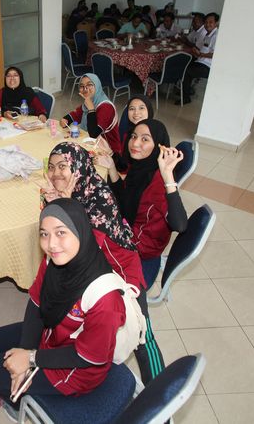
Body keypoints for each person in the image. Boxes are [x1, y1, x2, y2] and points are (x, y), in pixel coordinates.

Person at [0, 198, 126, 420]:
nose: (51, 244)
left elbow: (88, 357)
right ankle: (18, 384)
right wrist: (26, 354)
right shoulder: (54, 261)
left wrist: (31, 358)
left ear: (80, 230)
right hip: (52, 333)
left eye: (60, 233)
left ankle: (15, 403)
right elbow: (36, 303)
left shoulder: (105, 298)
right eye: (44, 234)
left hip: (76, 368)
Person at [42, 142, 165, 384]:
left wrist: (67, 208)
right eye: (52, 167)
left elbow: (83, 250)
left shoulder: (99, 197)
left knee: (143, 334)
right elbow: (58, 246)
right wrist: (57, 205)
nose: (56, 173)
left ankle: (160, 395)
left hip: (121, 269)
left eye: (63, 166)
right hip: (91, 271)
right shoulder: (67, 192)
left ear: (78, 167)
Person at [103, 119, 188, 288]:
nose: (135, 143)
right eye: (134, 136)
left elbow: (180, 224)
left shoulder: (159, 182)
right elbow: (125, 199)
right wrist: (111, 166)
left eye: (145, 139)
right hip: (129, 228)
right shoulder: (141, 167)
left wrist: (168, 176)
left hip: (140, 247)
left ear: (159, 146)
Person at [60, 73, 121, 157]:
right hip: (92, 145)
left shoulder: (106, 107)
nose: (85, 89)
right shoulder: (90, 101)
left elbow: (93, 134)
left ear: (97, 86)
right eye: (82, 86)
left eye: (89, 85)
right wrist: (65, 120)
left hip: (109, 152)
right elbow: (75, 115)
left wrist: (91, 109)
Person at [176, 12, 219, 105]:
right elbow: (202, 48)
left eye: (210, 22)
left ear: (216, 23)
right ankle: (185, 89)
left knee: (187, 71)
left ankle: (186, 97)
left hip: (208, 66)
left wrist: (201, 54)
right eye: (206, 22)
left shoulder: (216, 36)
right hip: (201, 61)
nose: (208, 24)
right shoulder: (208, 34)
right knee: (183, 64)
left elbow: (215, 54)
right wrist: (196, 51)